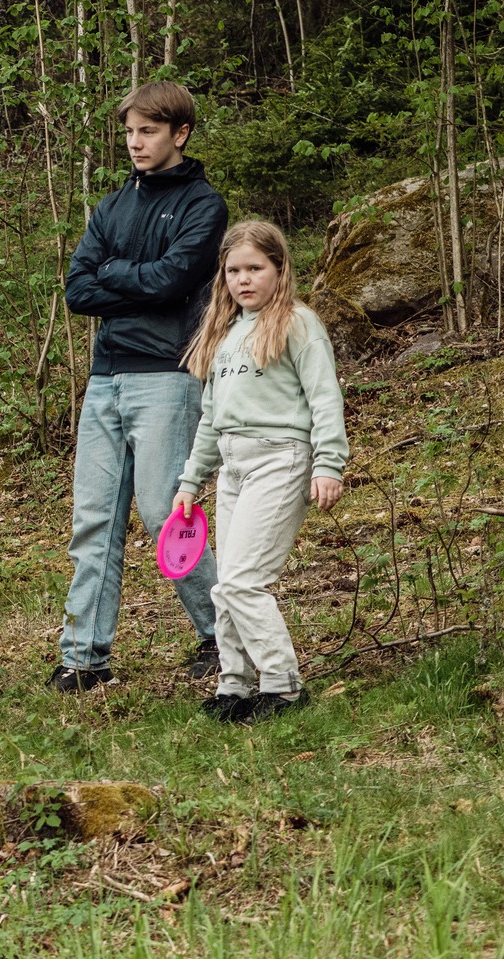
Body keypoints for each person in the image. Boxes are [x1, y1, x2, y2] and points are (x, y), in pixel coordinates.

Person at [55, 81, 228, 693]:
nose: (135, 142)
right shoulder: (110, 207)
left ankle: (222, 634)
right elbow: (78, 289)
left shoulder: (204, 206)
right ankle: (83, 658)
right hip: (105, 379)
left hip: (168, 377)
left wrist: (118, 278)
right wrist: (136, 282)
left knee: (163, 513)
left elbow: (173, 282)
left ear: (179, 134)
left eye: (147, 131)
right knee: (94, 520)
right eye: (129, 131)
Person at [172, 221, 347, 724]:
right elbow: (211, 419)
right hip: (232, 467)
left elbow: (324, 398)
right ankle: (235, 685)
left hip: (281, 457)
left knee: (243, 582)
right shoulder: (224, 334)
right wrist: (190, 482)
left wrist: (329, 463)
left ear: (279, 268)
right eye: (233, 271)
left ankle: (283, 684)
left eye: (255, 268)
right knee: (225, 582)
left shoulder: (298, 322)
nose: (243, 280)